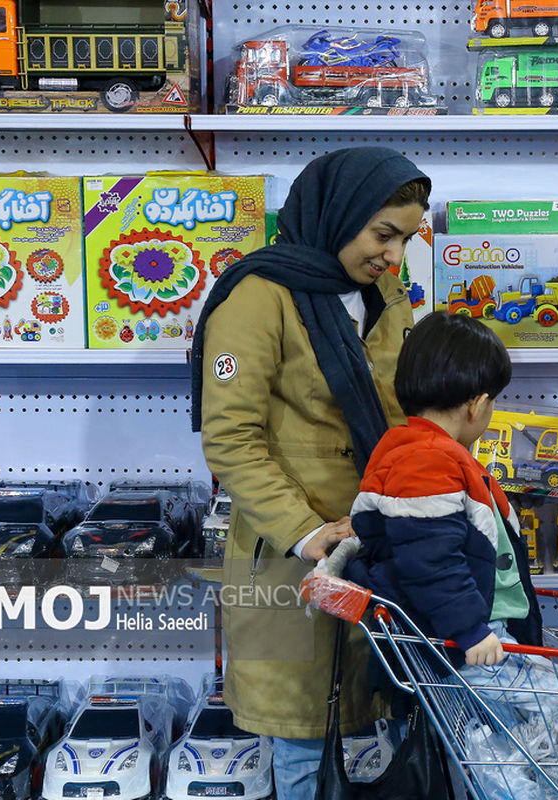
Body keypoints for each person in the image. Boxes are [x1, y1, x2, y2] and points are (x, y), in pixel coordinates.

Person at [192, 146, 431, 799]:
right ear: (339, 213)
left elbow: (396, 405)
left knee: (381, 722)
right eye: (384, 233)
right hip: (292, 554)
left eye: (406, 238)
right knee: (299, 739)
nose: (394, 254)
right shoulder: (259, 295)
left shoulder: (384, 291)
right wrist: (305, 532)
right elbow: (232, 438)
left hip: (376, 543)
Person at [344, 312, 558, 799]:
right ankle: (523, 769)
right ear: (476, 405)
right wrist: (470, 629)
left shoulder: (423, 450)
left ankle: (511, 764)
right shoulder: (424, 459)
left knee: (499, 740)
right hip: (458, 644)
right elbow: (429, 562)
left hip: (462, 639)